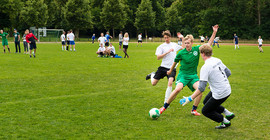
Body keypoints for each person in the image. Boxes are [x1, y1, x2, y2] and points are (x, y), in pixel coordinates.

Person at [159, 25, 219, 116]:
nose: (186, 45)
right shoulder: (181, 53)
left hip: (193, 76)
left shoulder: (197, 50)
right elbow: (175, 62)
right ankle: (164, 107)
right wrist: (170, 71)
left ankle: (193, 110)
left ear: (192, 43)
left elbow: (208, 44)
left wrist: (214, 32)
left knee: (200, 90)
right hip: (183, 75)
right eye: (185, 43)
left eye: (188, 43)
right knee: (178, 88)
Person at [179, 44, 235, 129]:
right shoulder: (217, 59)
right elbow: (228, 72)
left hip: (220, 92)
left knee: (206, 111)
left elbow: (201, 88)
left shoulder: (205, 67)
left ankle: (225, 122)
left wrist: (189, 98)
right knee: (206, 102)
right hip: (227, 88)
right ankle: (228, 114)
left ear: (203, 54)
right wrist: (217, 83)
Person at [145, 30, 183, 103]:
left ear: (170, 37)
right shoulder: (161, 46)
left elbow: (183, 47)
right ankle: (152, 74)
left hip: (172, 68)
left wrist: (182, 38)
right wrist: (167, 52)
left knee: (170, 82)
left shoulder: (174, 45)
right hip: (163, 67)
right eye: (165, 38)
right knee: (153, 83)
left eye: (167, 37)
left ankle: (166, 102)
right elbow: (158, 57)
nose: (166, 39)